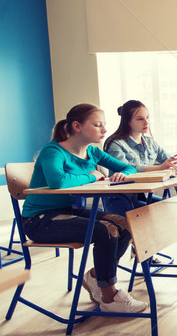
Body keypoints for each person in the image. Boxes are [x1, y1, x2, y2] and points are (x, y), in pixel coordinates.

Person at [21, 103, 147, 313]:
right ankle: (109, 297)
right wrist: (91, 176)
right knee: (106, 230)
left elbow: (129, 167)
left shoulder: (93, 152)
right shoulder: (53, 151)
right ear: (77, 126)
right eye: (97, 125)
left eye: (104, 125)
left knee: (124, 224)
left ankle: (96, 276)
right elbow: (58, 182)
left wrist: (123, 173)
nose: (104, 130)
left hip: (68, 211)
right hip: (39, 220)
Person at [103, 100, 177, 216]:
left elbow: (167, 159)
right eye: (140, 119)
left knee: (173, 209)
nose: (146, 122)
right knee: (161, 214)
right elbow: (127, 168)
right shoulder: (115, 143)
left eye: (147, 117)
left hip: (141, 196)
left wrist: (174, 161)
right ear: (127, 121)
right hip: (119, 199)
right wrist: (160, 167)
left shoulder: (149, 141)